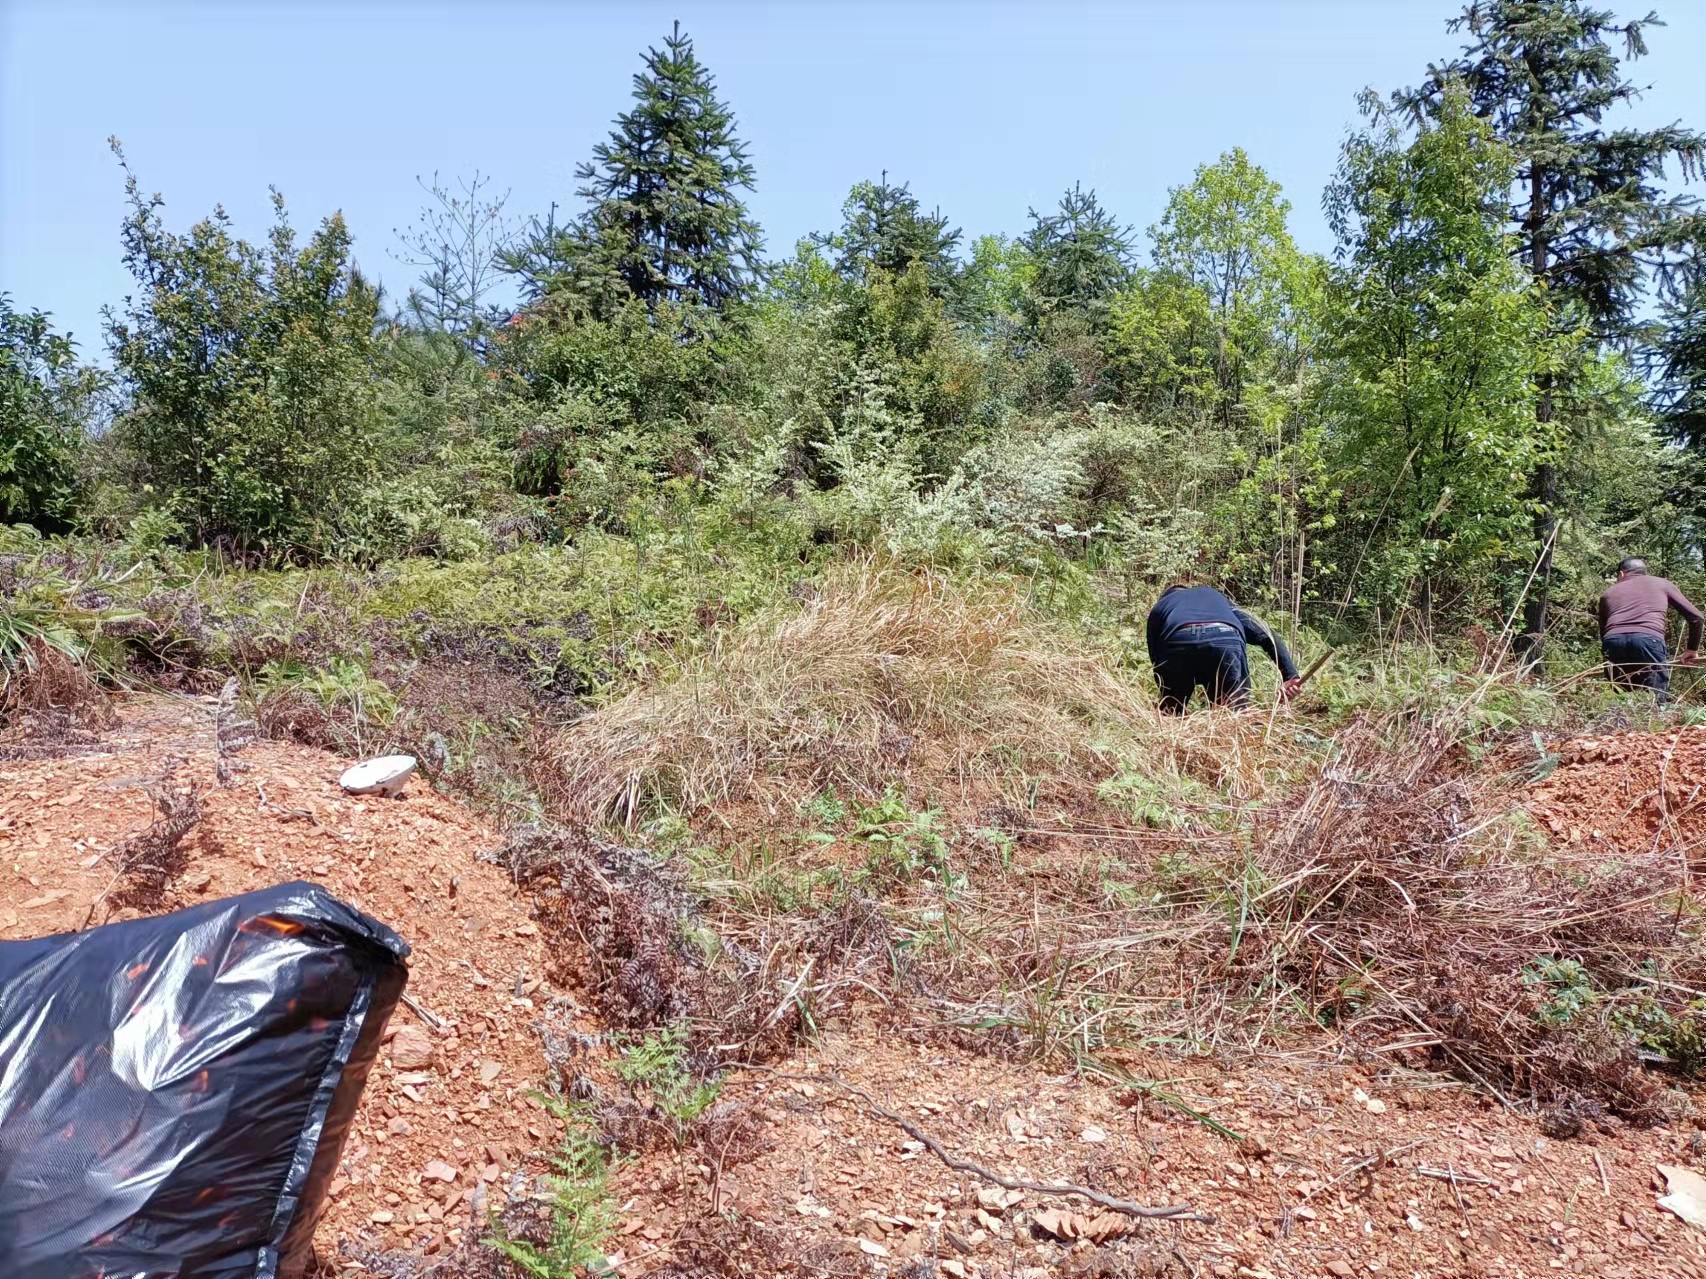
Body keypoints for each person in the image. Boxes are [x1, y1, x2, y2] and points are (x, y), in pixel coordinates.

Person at [1145, 583, 1301, 714]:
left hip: (1178, 639)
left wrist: (1172, 696)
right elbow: (1266, 634)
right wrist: (1290, 675)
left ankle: (1172, 740)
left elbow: (1157, 660)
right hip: (1225, 639)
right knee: (1231, 715)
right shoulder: (1217, 598)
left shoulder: (1161, 606)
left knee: (1172, 713)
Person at [1598, 556, 1703, 702]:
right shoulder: (1661, 584)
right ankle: (1656, 717)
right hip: (1648, 640)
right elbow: (1697, 618)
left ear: (1621, 574)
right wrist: (1691, 649)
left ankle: (1620, 722)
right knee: (1655, 695)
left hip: (1613, 641)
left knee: (1621, 697)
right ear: (1644, 572)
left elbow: (1603, 633)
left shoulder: (1608, 593)